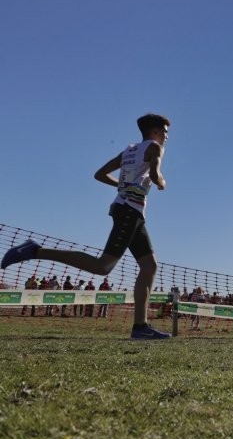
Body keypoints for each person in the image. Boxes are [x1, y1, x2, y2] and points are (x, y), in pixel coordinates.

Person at [1, 114, 172, 339]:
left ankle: (140, 327)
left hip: (129, 210)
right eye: (165, 132)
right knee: (103, 266)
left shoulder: (129, 151)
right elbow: (154, 173)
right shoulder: (155, 147)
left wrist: (122, 186)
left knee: (149, 266)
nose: (167, 137)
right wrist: (161, 182)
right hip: (129, 210)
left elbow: (99, 174)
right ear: (156, 131)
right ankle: (34, 250)